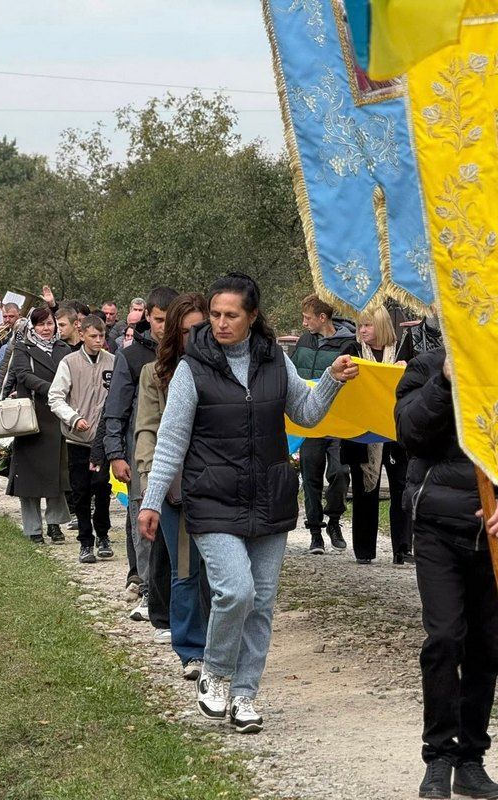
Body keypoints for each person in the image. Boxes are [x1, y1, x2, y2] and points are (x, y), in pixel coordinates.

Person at [138, 273, 358, 734]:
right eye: (215, 314)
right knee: (236, 591)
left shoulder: (276, 360)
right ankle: (216, 674)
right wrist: (151, 501)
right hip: (212, 499)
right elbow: (171, 441)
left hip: (269, 498)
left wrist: (332, 380)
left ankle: (244, 695)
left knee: (260, 603)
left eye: (231, 315)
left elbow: (306, 414)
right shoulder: (192, 367)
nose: (220, 323)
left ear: (252, 316)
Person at [396, 350, 498, 800]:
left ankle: (471, 759)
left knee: (487, 648)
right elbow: (410, 433)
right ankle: (439, 756)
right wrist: (445, 382)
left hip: (497, 534)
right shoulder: (425, 367)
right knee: (445, 638)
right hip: (438, 528)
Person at [136, 292, 211, 677]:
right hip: (175, 485)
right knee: (185, 569)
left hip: (219, 484)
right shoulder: (155, 375)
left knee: (222, 573)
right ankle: (191, 649)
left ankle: (220, 643)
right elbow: (148, 431)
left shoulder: (225, 371)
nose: (193, 337)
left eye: (200, 329)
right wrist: (152, 484)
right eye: (185, 331)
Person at [93, 286, 178, 619]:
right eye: (159, 320)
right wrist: (115, 453)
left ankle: (175, 590)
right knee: (143, 522)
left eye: (170, 320)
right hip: (139, 451)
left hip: (180, 453)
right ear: (148, 318)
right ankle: (147, 589)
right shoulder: (130, 356)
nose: (164, 327)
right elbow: (115, 410)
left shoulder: (188, 352)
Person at [344, 306, 413, 564]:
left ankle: (402, 549)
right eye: (359, 326)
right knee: (364, 489)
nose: (362, 331)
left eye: (367, 325)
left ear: (381, 325)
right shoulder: (351, 351)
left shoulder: (403, 350)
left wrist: (406, 370)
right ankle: (364, 551)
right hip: (363, 433)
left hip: (396, 433)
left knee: (401, 488)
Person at [292, 293, 359, 554]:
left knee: (340, 472)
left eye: (307, 318)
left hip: (337, 421)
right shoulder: (304, 341)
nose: (304, 322)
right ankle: (315, 532)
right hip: (309, 420)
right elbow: (293, 374)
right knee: (311, 475)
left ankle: (334, 520)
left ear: (322, 318)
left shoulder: (349, 344)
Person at [48, 314, 116, 562]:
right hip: (77, 438)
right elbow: (55, 397)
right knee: (81, 491)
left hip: (104, 439)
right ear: (82, 335)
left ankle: (103, 535)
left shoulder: (113, 361)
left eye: (102, 336)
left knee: (102, 487)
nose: (98, 340)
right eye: (93, 336)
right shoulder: (69, 362)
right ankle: (85, 541)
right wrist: (73, 418)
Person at [6, 306, 73, 544]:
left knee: (56, 475)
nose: (46, 329)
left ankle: (54, 524)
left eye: (50, 323)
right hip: (32, 419)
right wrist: (52, 389)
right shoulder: (22, 347)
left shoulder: (63, 348)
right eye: (41, 324)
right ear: (32, 327)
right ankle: (33, 528)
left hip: (57, 417)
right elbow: (23, 375)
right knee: (29, 477)